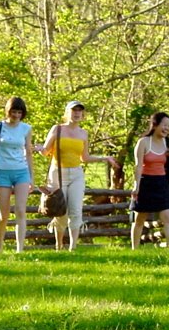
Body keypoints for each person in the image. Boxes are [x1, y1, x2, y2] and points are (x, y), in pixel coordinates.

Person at [37, 100, 120, 251]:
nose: (76, 113)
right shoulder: (57, 129)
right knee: (60, 209)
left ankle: (73, 247)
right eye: (73, 110)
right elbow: (45, 151)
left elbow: (85, 158)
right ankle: (59, 245)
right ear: (67, 113)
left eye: (79, 111)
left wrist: (104, 158)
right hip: (58, 173)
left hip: (76, 173)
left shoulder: (83, 133)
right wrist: (36, 148)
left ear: (82, 114)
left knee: (75, 210)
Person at [0, 97, 35, 254]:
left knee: (20, 210)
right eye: (14, 112)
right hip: (2, 172)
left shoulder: (26, 128)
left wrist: (32, 177)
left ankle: (20, 249)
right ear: (8, 111)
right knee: (3, 214)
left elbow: (29, 153)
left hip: (21, 171)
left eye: (19, 112)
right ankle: (0, 243)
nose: (16, 115)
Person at [130, 111, 169, 250]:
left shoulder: (168, 142)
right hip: (145, 182)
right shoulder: (143, 142)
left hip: (161, 182)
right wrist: (136, 186)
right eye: (164, 125)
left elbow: (167, 164)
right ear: (155, 125)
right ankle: (135, 249)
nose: (166, 128)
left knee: (168, 216)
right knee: (140, 218)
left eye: (168, 126)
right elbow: (138, 166)